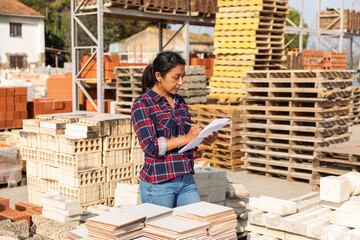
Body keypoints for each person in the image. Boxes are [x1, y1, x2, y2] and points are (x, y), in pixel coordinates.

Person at [131, 51, 218, 208]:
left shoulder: (179, 101)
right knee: (162, 231)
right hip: (159, 184)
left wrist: (204, 137)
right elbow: (150, 146)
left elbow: (184, 138)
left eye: (182, 76)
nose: (181, 82)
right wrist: (186, 138)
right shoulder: (143, 104)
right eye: (176, 77)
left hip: (186, 179)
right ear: (159, 76)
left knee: (195, 227)